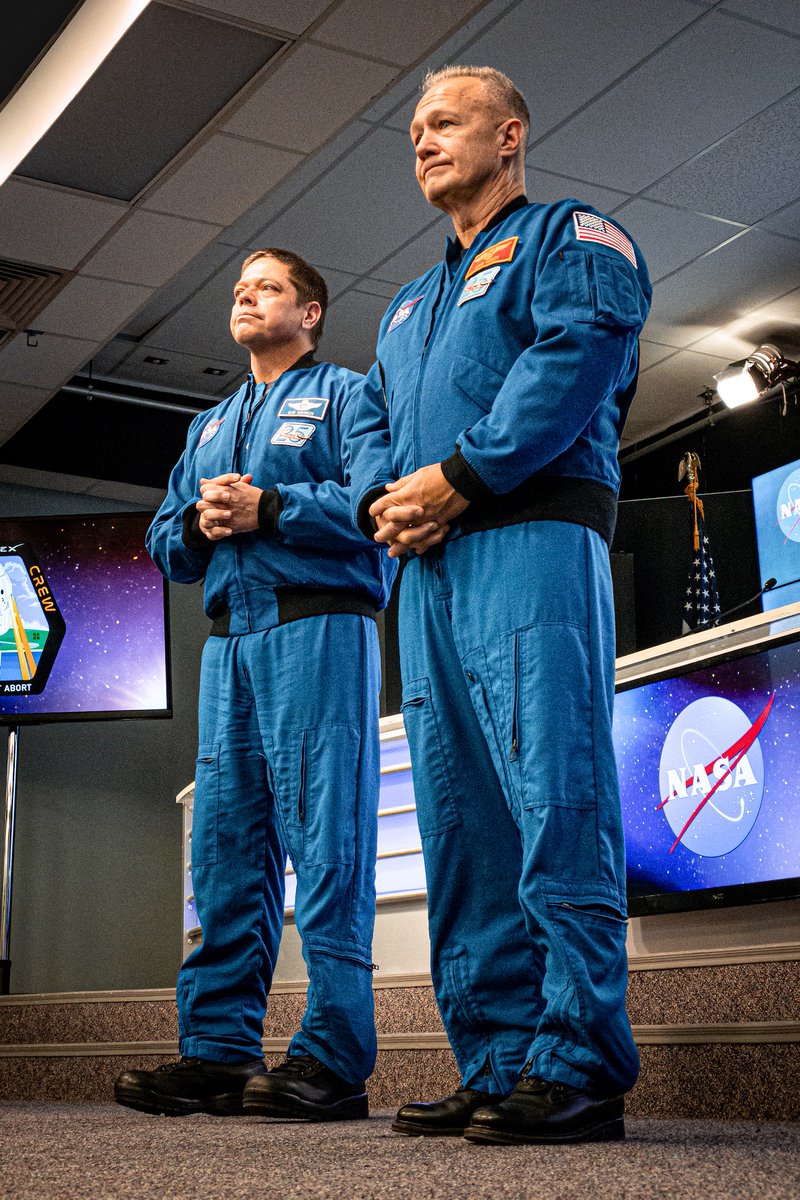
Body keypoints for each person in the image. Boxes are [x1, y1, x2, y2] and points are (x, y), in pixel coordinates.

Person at [352, 66, 651, 1145]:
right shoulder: (405, 304)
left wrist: (461, 478)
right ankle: (497, 1060)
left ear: (509, 134)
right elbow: (375, 428)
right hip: (426, 567)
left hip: (526, 540)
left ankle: (577, 1064)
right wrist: (392, 500)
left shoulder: (572, 237)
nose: (422, 142)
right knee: (460, 821)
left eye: (444, 122)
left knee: (551, 797)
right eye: (414, 129)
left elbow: (572, 359)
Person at [114, 248, 395, 1121]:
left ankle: (336, 1054)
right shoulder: (207, 425)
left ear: (310, 311)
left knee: (328, 844)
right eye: (240, 288)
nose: (246, 295)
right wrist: (200, 521)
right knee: (226, 854)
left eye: (268, 285)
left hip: (319, 627)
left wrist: (271, 509)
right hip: (232, 643)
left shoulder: (350, 395)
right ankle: (220, 1049)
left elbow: (375, 500)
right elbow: (166, 544)